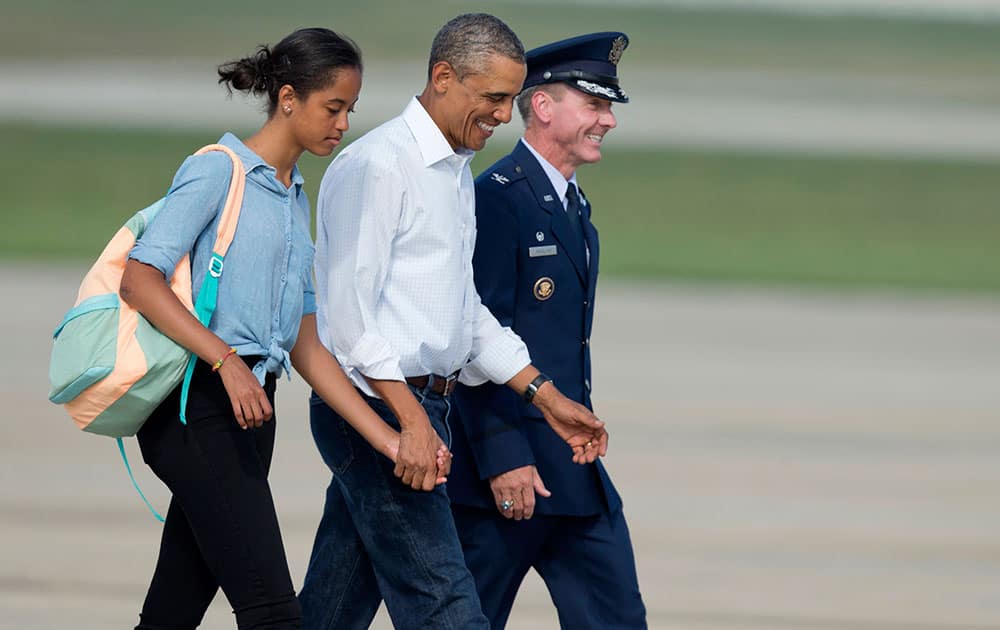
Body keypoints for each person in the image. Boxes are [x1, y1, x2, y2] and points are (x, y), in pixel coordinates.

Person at [299, 13, 609, 630]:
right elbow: (349, 326)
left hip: (423, 408)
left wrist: (546, 396)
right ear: (443, 77)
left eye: (510, 99)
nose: (502, 114)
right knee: (445, 604)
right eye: (492, 97)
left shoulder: (454, 173)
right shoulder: (379, 166)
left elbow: (466, 318)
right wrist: (411, 424)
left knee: (334, 607)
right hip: (379, 407)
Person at [119, 28, 432, 630]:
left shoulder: (294, 199)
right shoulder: (218, 171)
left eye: (350, 110)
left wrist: (388, 440)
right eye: (332, 107)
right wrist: (226, 362)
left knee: (172, 612)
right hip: (196, 409)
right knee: (273, 614)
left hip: (250, 416)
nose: (342, 123)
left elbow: (308, 347)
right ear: (288, 97)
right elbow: (140, 279)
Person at [446, 32, 648, 629]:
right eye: (595, 106)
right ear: (543, 106)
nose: (608, 121)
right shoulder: (496, 201)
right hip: (505, 479)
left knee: (617, 618)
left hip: (572, 467)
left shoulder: (574, 209)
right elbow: (475, 337)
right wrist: (504, 457)